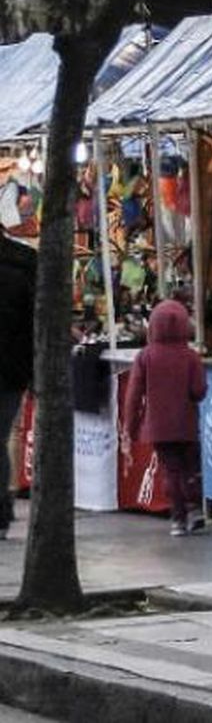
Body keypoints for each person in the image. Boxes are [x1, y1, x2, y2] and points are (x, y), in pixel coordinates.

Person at [125, 299, 208, 536]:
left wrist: (130, 429)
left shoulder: (145, 356)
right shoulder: (191, 356)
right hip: (186, 423)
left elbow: (133, 395)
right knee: (190, 468)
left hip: (158, 425)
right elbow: (199, 391)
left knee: (171, 469)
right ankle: (194, 508)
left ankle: (177, 519)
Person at [0, 226, 36, 541]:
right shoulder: (27, 262)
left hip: (11, 366)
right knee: (4, 435)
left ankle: (2, 507)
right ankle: (4, 506)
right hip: (15, 368)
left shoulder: (22, 265)